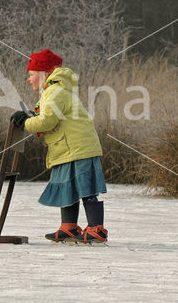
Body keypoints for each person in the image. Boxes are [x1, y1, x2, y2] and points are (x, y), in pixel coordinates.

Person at [10, 49, 108, 244]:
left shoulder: (56, 91)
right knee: (67, 187)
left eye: (31, 75)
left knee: (85, 187)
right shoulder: (52, 91)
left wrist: (25, 124)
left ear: (43, 73)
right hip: (66, 149)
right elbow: (48, 117)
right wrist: (31, 117)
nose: (29, 79)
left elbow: (47, 121)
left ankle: (97, 228)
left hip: (78, 148)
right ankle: (69, 227)